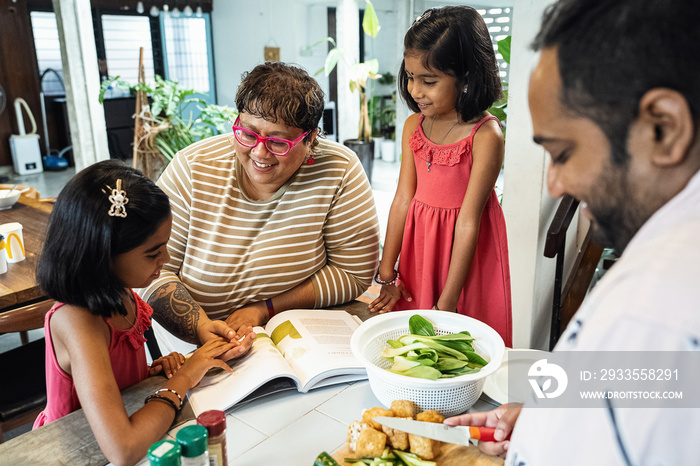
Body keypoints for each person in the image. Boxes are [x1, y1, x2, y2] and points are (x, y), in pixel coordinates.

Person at [444, 0, 700, 464]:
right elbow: (669, 381)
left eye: (562, 154)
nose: (555, 185)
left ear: (663, 128)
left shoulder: (652, 311)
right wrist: (547, 415)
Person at [139, 62, 380, 355]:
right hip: (191, 346)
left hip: (298, 337)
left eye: (278, 142)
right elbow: (152, 272)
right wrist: (203, 330)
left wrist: (264, 309)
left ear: (311, 138)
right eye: (249, 134)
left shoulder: (339, 170)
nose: (259, 153)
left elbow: (351, 273)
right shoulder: (192, 168)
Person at [34, 160, 249, 465]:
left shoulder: (121, 289)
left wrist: (150, 374)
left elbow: (114, 381)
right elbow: (124, 449)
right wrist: (184, 377)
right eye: (153, 252)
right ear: (104, 253)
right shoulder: (77, 320)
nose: (167, 258)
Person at [369, 6, 512, 347]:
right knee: (411, 348)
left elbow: (468, 221)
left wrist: (448, 303)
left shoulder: (485, 135)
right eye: (410, 76)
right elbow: (403, 199)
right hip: (421, 250)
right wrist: (387, 273)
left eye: (429, 81)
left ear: (466, 76)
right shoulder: (412, 126)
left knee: (457, 347)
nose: (416, 90)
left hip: (464, 258)